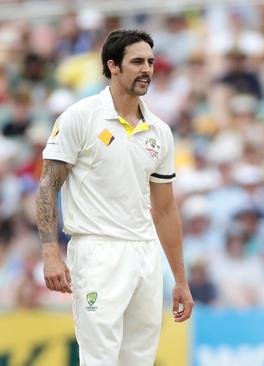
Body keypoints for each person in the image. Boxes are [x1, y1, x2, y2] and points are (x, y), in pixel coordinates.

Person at [36, 29, 193, 366]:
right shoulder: (80, 117)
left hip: (144, 254)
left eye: (150, 62)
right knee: (100, 359)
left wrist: (180, 278)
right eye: (137, 62)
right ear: (114, 66)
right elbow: (48, 186)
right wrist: (50, 252)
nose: (147, 69)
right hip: (97, 251)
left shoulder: (159, 131)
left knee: (139, 360)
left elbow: (165, 209)